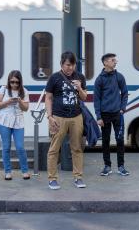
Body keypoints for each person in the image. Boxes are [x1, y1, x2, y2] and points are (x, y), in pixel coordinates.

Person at [45, 51, 88, 190]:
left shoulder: (80, 77)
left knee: (77, 148)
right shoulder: (54, 78)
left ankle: (78, 177)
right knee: (54, 149)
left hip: (76, 117)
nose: (70, 68)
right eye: (67, 65)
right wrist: (49, 117)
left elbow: (84, 97)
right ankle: (52, 179)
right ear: (62, 64)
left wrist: (79, 88)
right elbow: (48, 98)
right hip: (58, 117)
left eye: (73, 65)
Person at [94, 53, 130, 176]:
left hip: (117, 115)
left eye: (115, 60)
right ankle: (107, 166)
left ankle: (121, 166)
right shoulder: (99, 79)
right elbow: (96, 99)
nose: (115, 62)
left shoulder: (119, 77)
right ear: (105, 63)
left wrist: (122, 109)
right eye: (113, 60)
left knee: (120, 140)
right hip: (104, 115)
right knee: (105, 141)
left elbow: (125, 93)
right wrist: (98, 117)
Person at [0, 70, 30, 180]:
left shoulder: (24, 91)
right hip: (4, 121)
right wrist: (8, 102)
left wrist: (20, 101)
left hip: (18, 122)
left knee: (20, 147)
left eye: (17, 82)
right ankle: (7, 172)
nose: (14, 84)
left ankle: (25, 171)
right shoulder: (3, 89)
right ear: (9, 81)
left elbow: (26, 109)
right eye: (12, 82)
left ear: (20, 82)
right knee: (6, 147)